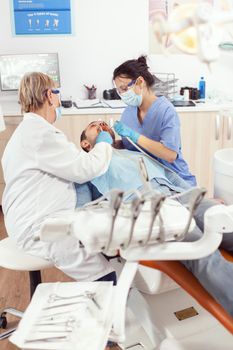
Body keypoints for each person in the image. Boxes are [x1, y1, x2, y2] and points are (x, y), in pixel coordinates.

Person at [79, 120, 233, 317]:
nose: (102, 126)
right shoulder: (86, 167)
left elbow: (171, 176)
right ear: (85, 144)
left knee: (228, 227)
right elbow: (82, 210)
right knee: (203, 252)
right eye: (95, 126)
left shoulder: (133, 153)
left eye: (104, 125)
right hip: (150, 207)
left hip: (181, 196)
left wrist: (199, 196)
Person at [1, 72, 117, 284]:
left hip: (25, 218)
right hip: (39, 227)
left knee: (103, 246)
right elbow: (86, 168)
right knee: (105, 277)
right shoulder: (40, 134)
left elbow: (73, 166)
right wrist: (104, 142)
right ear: (49, 96)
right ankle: (105, 312)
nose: (58, 100)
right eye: (56, 93)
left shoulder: (29, 132)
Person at [112, 55, 196, 187]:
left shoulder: (166, 111)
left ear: (140, 82)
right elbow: (133, 147)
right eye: (119, 91)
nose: (122, 95)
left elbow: (170, 155)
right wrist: (112, 144)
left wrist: (134, 135)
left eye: (123, 89)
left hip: (175, 179)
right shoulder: (128, 112)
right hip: (150, 180)